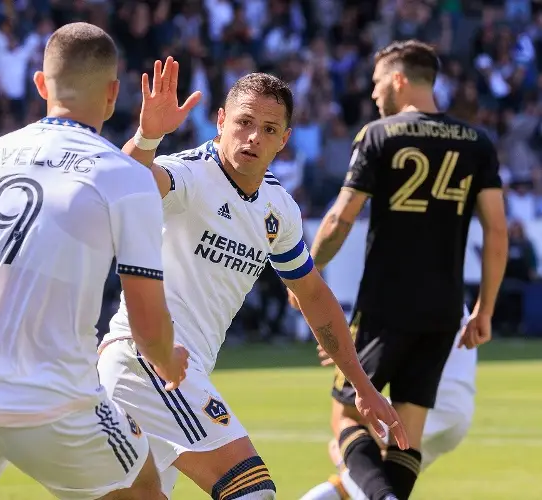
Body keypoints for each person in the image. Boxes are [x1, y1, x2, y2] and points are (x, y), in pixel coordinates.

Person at [0, 23, 188, 500]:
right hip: (54, 405)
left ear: (41, 85)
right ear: (112, 94)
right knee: (144, 486)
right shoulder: (126, 178)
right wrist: (170, 361)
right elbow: (148, 328)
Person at [97, 58, 407, 500]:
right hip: (145, 362)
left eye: (268, 128)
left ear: (284, 140)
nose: (253, 137)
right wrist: (148, 136)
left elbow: (313, 295)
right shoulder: (190, 173)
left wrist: (363, 387)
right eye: (243, 122)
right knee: (251, 490)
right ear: (220, 121)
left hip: (174, 370)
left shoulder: (278, 208)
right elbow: (126, 181)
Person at [295, 40, 508, 500]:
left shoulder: (379, 134)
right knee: (406, 433)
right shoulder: (478, 143)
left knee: (347, 418)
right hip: (445, 310)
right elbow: (497, 232)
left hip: (386, 304)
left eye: (376, 84)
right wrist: (485, 308)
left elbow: (340, 217)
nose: (372, 95)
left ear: (398, 79)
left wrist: (307, 272)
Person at [300, 309, 477, 500]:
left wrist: (345, 343)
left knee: (347, 443)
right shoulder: (450, 293)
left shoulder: (393, 289)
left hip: (435, 407)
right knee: (364, 482)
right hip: (459, 411)